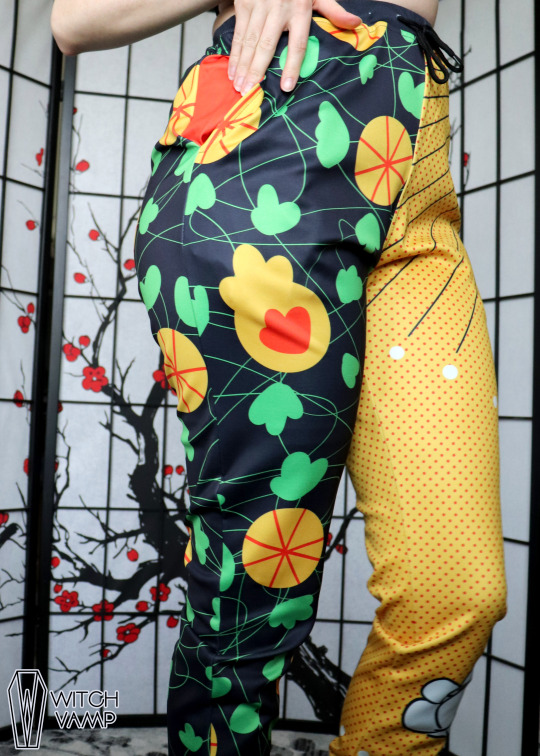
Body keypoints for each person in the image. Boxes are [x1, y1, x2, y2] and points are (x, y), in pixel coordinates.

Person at [50, 2, 507, 755]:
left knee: (454, 591)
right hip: (265, 153)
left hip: (414, 177)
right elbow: (73, 19)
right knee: (249, 605)